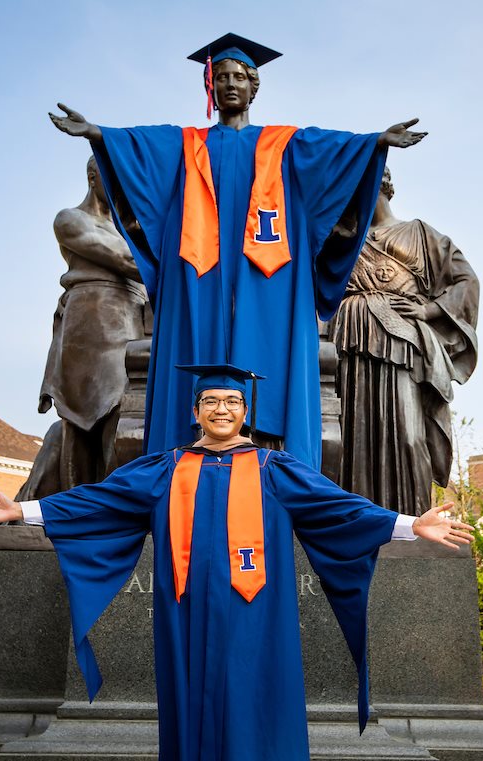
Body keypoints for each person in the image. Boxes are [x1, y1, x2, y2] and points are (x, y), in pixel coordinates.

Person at [0, 365, 474, 761]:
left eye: (232, 400)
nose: (222, 408)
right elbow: (96, 501)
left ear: (245, 411)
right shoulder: (165, 468)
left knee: (257, 706)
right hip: (185, 616)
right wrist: (20, 510)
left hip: (259, 618)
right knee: (190, 709)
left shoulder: (277, 469)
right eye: (211, 400)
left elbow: (342, 507)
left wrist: (411, 524)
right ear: (195, 410)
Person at [48, 33, 427, 469]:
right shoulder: (186, 146)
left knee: (271, 359)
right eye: (222, 77)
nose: (230, 84)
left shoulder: (284, 145)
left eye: (239, 78)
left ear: (254, 87)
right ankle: (184, 458)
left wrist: (375, 142)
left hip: (270, 276)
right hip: (200, 274)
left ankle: (271, 460)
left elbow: (331, 153)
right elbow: (142, 151)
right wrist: (98, 134)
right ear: (211, 87)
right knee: (194, 349)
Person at [331, 168, 479, 516]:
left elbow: (466, 281)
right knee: (353, 437)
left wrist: (429, 311)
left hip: (403, 341)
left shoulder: (421, 234)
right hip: (350, 340)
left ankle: (411, 523)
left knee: (409, 435)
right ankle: (357, 522)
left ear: (381, 186)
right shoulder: (340, 244)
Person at [18, 157, 146, 499]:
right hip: (93, 321)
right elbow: (128, 261)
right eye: (116, 180)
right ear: (93, 177)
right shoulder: (71, 219)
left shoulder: (128, 230)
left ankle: (112, 506)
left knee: (129, 415)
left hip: (134, 323)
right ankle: (76, 508)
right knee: (86, 415)